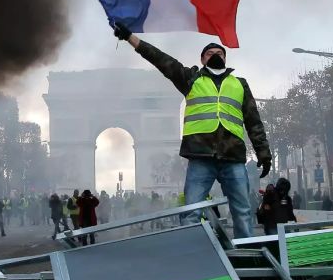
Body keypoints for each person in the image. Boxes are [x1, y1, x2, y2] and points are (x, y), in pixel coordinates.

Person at [113, 24, 272, 239]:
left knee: (242, 212)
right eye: (210, 53)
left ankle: (247, 255)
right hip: (201, 156)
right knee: (191, 212)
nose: (215, 55)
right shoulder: (190, 79)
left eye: (219, 53)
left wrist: (263, 152)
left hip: (232, 156)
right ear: (202, 59)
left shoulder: (240, 84)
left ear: (225, 58)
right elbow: (161, 59)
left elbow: (254, 121)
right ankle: (195, 252)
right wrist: (131, 37)